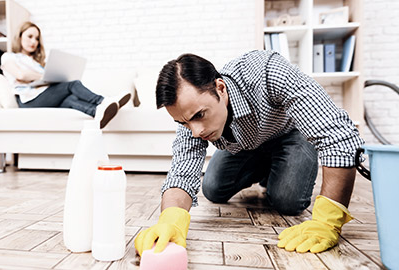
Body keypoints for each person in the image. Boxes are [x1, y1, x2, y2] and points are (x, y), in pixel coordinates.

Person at [134, 50, 364, 256]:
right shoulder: (190, 115)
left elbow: (338, 136)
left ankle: (278, 170)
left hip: (290, 136)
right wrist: (170, 219)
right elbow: (182, 171)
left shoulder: (268, 72)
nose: (195, 131)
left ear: (220, 89)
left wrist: (327, 222)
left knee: (288, 201)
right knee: (213, 188)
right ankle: (268, 169)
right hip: (246, 146)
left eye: (199, 116)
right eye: (183, 123)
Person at [1, 21, 130, 128]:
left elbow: (33, 78)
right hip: (28, 101)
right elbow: (21, 75)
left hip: (42, 96)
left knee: (70, 100)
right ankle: (104, 101)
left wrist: (51, 76)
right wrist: (44, 77)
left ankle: (98, 113)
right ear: (19, 36)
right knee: (72, 85)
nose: (34, 42)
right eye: (30, 36)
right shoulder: (9, 57)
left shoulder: (38, 63)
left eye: (37, 39)